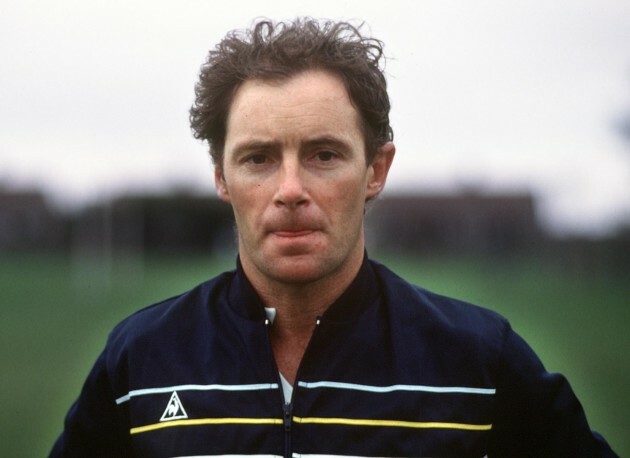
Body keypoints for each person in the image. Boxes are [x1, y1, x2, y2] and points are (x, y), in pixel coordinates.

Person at [51, 18, 617, 457]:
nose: (290, 189)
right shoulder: (141, 359)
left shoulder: (479, 363)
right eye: (258, 158)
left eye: (324, 155)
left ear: (376, 169)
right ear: (221, 176)